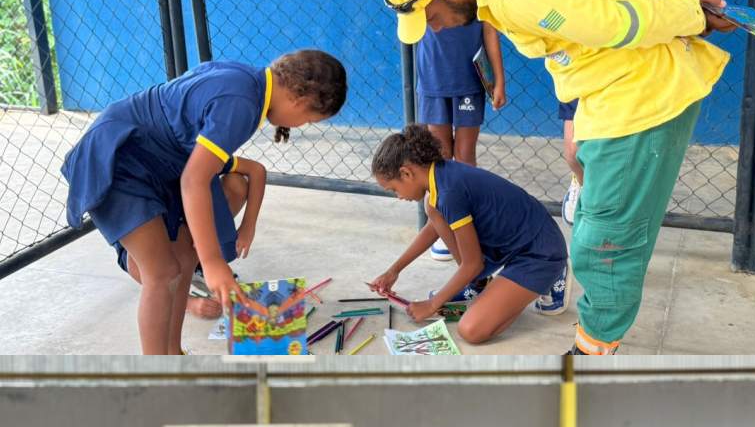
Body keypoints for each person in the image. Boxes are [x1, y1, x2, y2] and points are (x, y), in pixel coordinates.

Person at [376, 0, 734, 355]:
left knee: (605, 242)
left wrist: (691, 12)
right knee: (593, 224)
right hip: (610, 93)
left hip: (641, 94)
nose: (436, 28)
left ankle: (593, 353)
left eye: (433, 18)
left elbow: (617, 22)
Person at [61, 51, 347, 354]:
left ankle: (173, 354)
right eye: (309, 120)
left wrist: (212, 252)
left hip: (155, 165)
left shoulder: (248, 82)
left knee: (183, 261)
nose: (300, 125)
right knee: (161, 273)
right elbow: (193, 181)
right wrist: (212, 263)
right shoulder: (242, 104)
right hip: (120, 160)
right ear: (300, 102)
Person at [369, 125, 568, 345]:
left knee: (471, 330)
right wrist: (393, 271)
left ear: (406, 173)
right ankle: (484, 285)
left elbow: (472, 264)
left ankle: (550, 277)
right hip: (510, 245)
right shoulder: (440, 176)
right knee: (432, 209)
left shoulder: (449, 192)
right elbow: (433, 229)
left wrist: (432, 304)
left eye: (394, 189)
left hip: (540, 253)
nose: (397, 196)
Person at [556, 0, 698, 227]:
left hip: (645, 71)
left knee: (624, 162)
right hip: (591, 64)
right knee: (574, 153)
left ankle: (602, 214)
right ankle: (585, 185)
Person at [416, 18, 505, 263]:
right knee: (439, 157)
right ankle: (443, 230)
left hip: (469, 82)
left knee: (465, 158)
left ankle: (467, 227)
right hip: (432, 81)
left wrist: (499, 80)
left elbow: (490, 32)